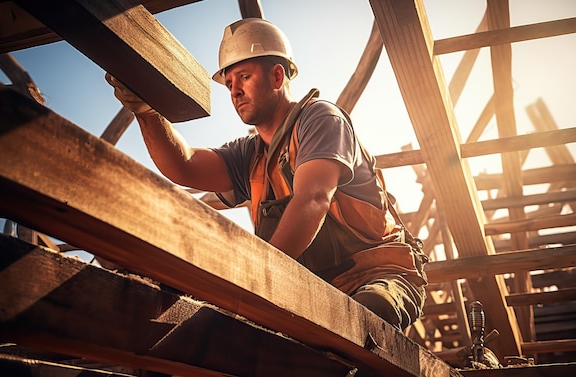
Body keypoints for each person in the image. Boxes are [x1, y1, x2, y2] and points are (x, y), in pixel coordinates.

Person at [106, 18, 428, 331]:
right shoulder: (250, 155)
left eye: (244, 77)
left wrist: (255, 283)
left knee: (364, 320)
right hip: (316, 293)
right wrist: (147, 113)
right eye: (230, 84)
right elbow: (185, 165)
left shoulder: (320, 120)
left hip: (378, 277)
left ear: (277, 76)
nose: (235, 91)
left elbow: (313, 199)